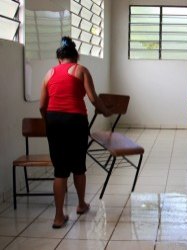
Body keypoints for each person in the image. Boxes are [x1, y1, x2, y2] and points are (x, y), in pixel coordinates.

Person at [39, 36, 111, 229]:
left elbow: (42, 106)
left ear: (59, 58)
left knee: (60, 170)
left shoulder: (49, 73)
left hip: (54, 120)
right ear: (76, 56)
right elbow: (93, 98)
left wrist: (49, 123)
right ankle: (80, 204)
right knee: (78, 165)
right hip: (75, 120)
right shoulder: (81, 70)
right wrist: (105, 111)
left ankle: (58, 217)